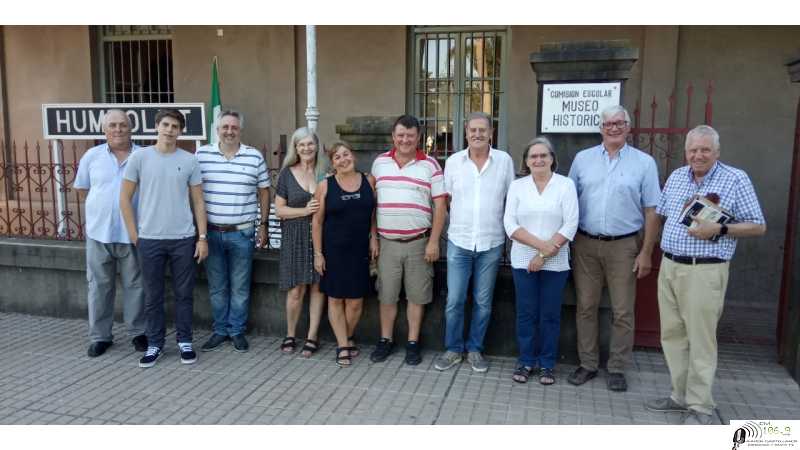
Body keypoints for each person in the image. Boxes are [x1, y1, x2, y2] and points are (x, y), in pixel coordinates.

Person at [645, 125, 765, 425]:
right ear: (686, 152)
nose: (698, 155)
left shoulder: (735, 179)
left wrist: (720, 228)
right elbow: (660, 215)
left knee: (701, 339)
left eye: (705, 150)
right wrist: (647, 250)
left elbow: (758, 225)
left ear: (717, 152)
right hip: (671, 265)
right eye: (693, 150)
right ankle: (679, 396)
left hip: (705, 268)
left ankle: (700, 405)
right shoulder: (676, 176)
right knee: (672, 335)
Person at [566, 105, 661, 392]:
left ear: (628, 127)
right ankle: (588, 364)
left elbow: (652, 210)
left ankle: (617, 368)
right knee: (585, 306)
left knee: (622, 310)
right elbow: (567, 199)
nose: (614, 127)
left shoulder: (645, 163)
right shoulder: (582, 160)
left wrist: (646, 251)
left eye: (619, 123)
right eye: (608, 124)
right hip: (585, 243)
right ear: (601, 128)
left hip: (624, 246)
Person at [120, 108, 208, 368]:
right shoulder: (140, 158)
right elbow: (124, 198)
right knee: (153, 296)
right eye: (166, 125)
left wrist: (202, 237)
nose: (170, 130)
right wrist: (135, 234)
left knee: (184, 294)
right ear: (157, 126)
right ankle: (155, 344)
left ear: (181, 131)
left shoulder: (190, 160)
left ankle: (185, 341)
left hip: (183, 238)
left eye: (175, 126)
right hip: (149, 239)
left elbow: (198, 201)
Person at [434, 112, 515, 373]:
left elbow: (511, 199)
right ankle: (453, 349)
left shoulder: (504, 161)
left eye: (483, 130)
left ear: (491, 133)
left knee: (483, 302)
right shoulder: (454, 162)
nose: (478, 134)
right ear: (465, 133)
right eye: (473, 130)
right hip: (460, 240)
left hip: (491, 242)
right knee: (455, 300)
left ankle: (475, 349)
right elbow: (446, 199)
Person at [369, 114, 447, 366]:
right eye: (400, 135)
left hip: (419, 243)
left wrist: (434, 241)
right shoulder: (379, 163)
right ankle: (385, 340)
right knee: (387, 296)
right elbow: (371, 204)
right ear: (393, 136)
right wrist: (373, 237)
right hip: (387, 243)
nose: (405, 140)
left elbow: (440, 206)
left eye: (410, 136)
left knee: (417, 296)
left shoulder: (431, 166)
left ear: (418, 138)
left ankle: (413, 343)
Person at [504, 137, 578, 384]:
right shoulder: (518, 186)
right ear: (526, 161)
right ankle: (525, 361)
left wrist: (544, 255)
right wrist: (541, 248)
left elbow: (570, 223)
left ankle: (547, 364)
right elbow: (510, 224)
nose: (538, 160)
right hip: (523, 260)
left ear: (552, 159)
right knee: (526, 314)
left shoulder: (565, 185)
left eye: (543, 155)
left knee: (550, 314)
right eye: (533, 156)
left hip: (555, 263)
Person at [196, 110, 271, 353]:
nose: (229, 131)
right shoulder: (201, 154)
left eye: (234, 127)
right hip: (212, 233)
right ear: (217, 129)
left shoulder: (254, 157)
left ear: (240, 130)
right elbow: (193, 191)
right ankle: (220, 330)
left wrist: (263, 225)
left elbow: (264, 192)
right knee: (217, 286)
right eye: (225, 127)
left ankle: (237, 330)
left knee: (240, 286)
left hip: (242, 233)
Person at [74, 109, 146, 357]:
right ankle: (100, 337)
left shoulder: (144, 156)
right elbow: (83, 190)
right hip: (98, 233)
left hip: (133, 234)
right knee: (98, 287)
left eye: (123, 125)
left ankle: (138, 333)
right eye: (112, 125)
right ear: (104, 130)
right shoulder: (91, 156)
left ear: (130, 128)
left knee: (136, 285)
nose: (118, 129)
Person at [311, 142, 378, 367]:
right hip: (334, 251)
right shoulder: (325, 186)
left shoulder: (369, 181)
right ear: (333, 163)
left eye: (346, 154)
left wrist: (374, 237)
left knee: (356, 302)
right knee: (336, 298)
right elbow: (317, 222)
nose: (343, 159)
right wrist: (318, 254)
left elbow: (373, 214)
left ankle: (347, 336)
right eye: (337, 157)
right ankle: (343, 345)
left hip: (360, 250)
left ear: (354, 156)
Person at [275, 127, 326, 357]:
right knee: (296, 290)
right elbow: (279, 210)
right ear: (295, 148)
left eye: (310, 144)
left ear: (316, 146)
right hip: (294, 237)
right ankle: (290, 333)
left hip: (322, 238)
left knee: (317, 288)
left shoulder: (326, 172)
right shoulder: (286, 173)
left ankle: (312, 336)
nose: (306, 148)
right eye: (301, 144)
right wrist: (304, 210)